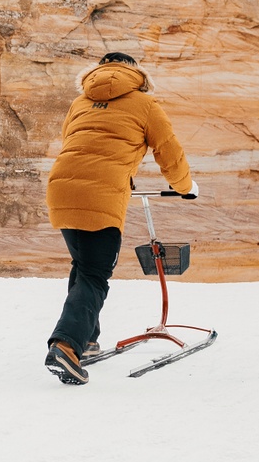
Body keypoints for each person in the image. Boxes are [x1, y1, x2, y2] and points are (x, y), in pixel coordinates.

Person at [42, 52, 194, 385]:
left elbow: (79, 142)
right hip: (100, 195)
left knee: (82, 265)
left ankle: (89, 338)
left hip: (61, 189)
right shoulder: (145, 104)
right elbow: (168, 151)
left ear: (99, 70)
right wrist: (187, 187)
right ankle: (66, 346)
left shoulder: (81, 102)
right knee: (95, 274)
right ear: (134, 72)